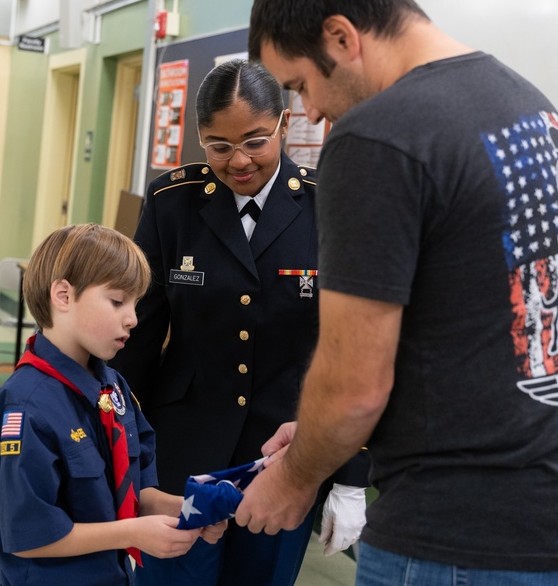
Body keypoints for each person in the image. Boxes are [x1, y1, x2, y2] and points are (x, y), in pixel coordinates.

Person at [234, 0, 558, 586]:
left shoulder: (378, 136)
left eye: (301, 85)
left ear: (340, 37)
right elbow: (481, 333)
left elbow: (357, 384)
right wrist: (321, 433)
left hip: (462, 539)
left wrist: (295, 476)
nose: (310, 112)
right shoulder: (527, 104)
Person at [110, 58, 370, 586]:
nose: (238, 161)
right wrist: (118, 445)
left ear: (283, 124)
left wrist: (351, 477)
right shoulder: (172, 203)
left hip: (282, 460)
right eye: (219, 146)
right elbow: (134, 335)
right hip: (180, 446)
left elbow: (356, 349)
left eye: (254, 141)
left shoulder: (331, 205)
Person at [0, 223, 226, 586]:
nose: (133, 318)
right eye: (117, 301)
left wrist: (182, 510)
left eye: (135, 304)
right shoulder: (25, 405)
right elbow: (29, 536)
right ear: (63, 296)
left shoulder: (114, 389)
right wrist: (131, 533)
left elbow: (133, 492)